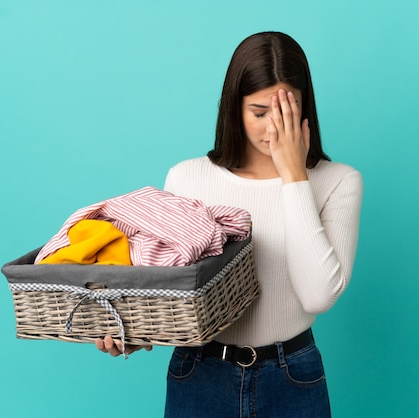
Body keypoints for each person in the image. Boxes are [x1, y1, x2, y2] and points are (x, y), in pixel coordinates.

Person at [96, 31, 363, 417]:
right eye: (259, 112)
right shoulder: (187, 178)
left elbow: (317, 296)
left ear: (306, 109)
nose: (273, 129)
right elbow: (172, 290)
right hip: (200, 372)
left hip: (291, 375)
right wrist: (135, 333)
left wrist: (294, 176)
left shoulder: (338, 182)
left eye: (286, 111)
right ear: (234, 109)